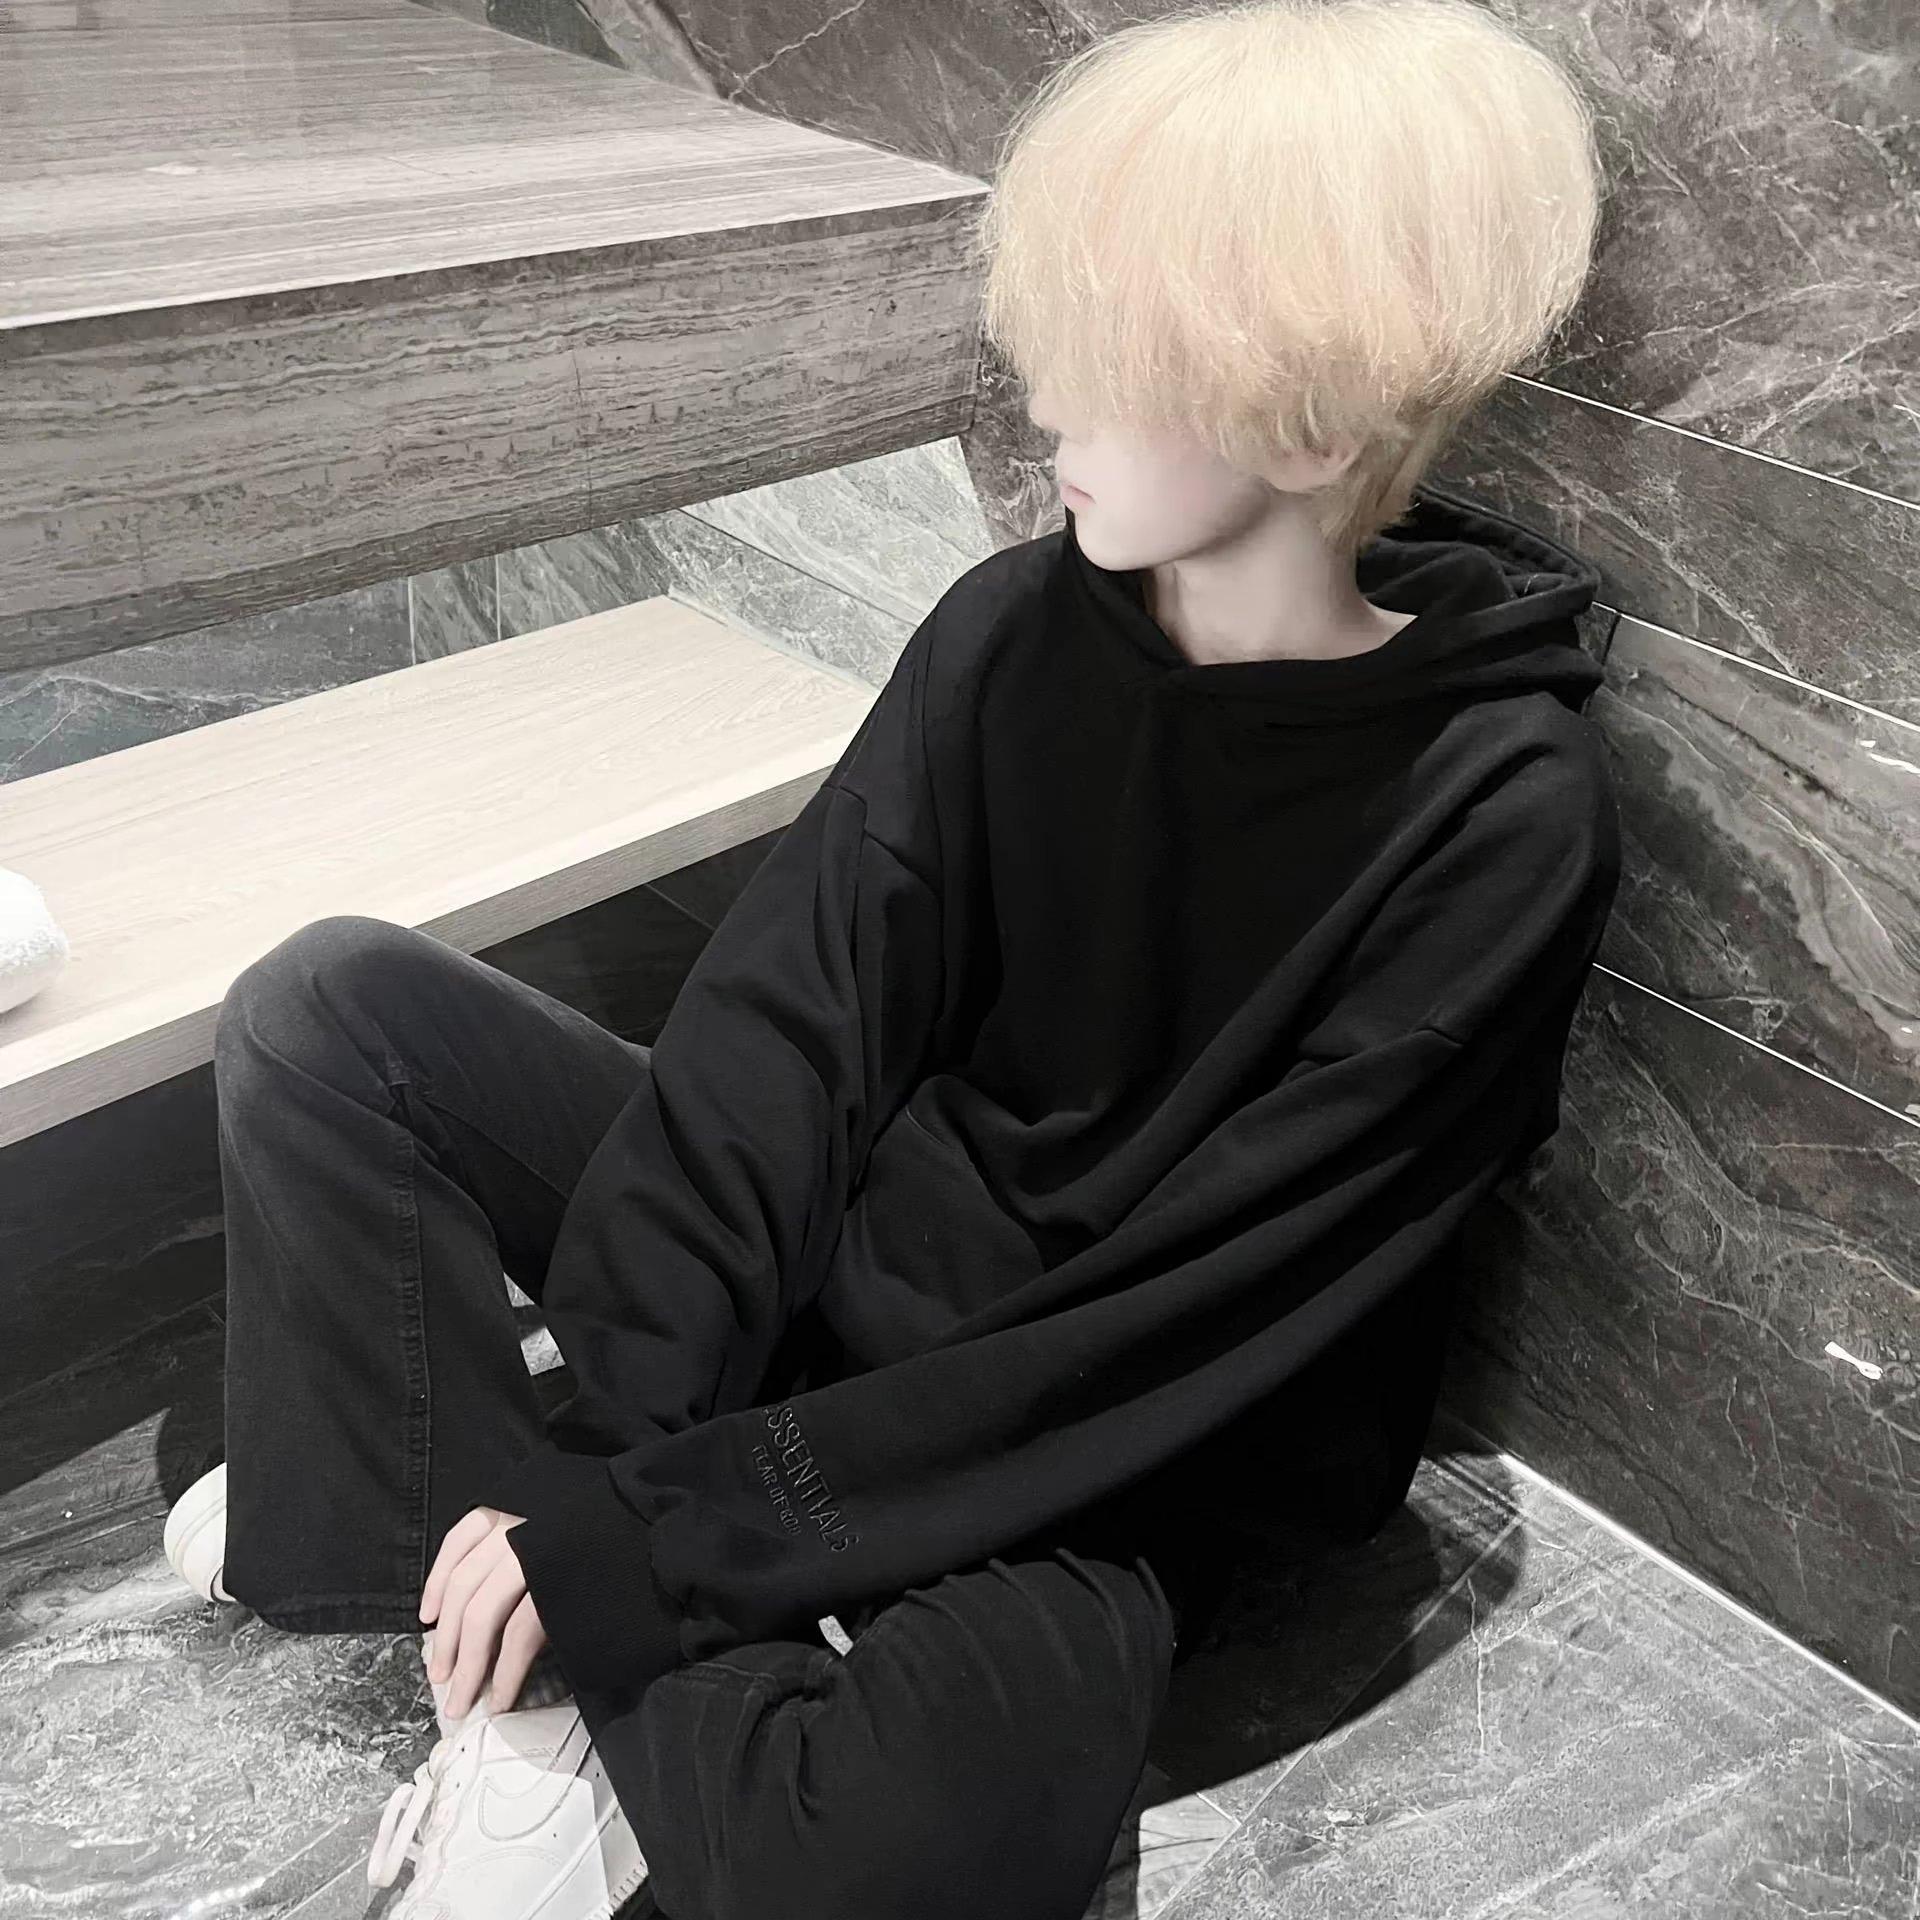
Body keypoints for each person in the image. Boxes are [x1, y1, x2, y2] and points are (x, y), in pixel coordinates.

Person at [181, 3, 1619, 1916]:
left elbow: (1197, 1321)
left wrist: (659, 1541)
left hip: (1093, 1448)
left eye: (1111, 370)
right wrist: (616, 1482)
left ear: (1311, 425)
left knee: (891, 1860)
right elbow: (782, 1047)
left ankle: (477, 1593)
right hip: (844, 1279)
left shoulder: (1503, 815)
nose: (1043, 405)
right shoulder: (1019, 627)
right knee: (325, 1013)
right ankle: (485, 1604)